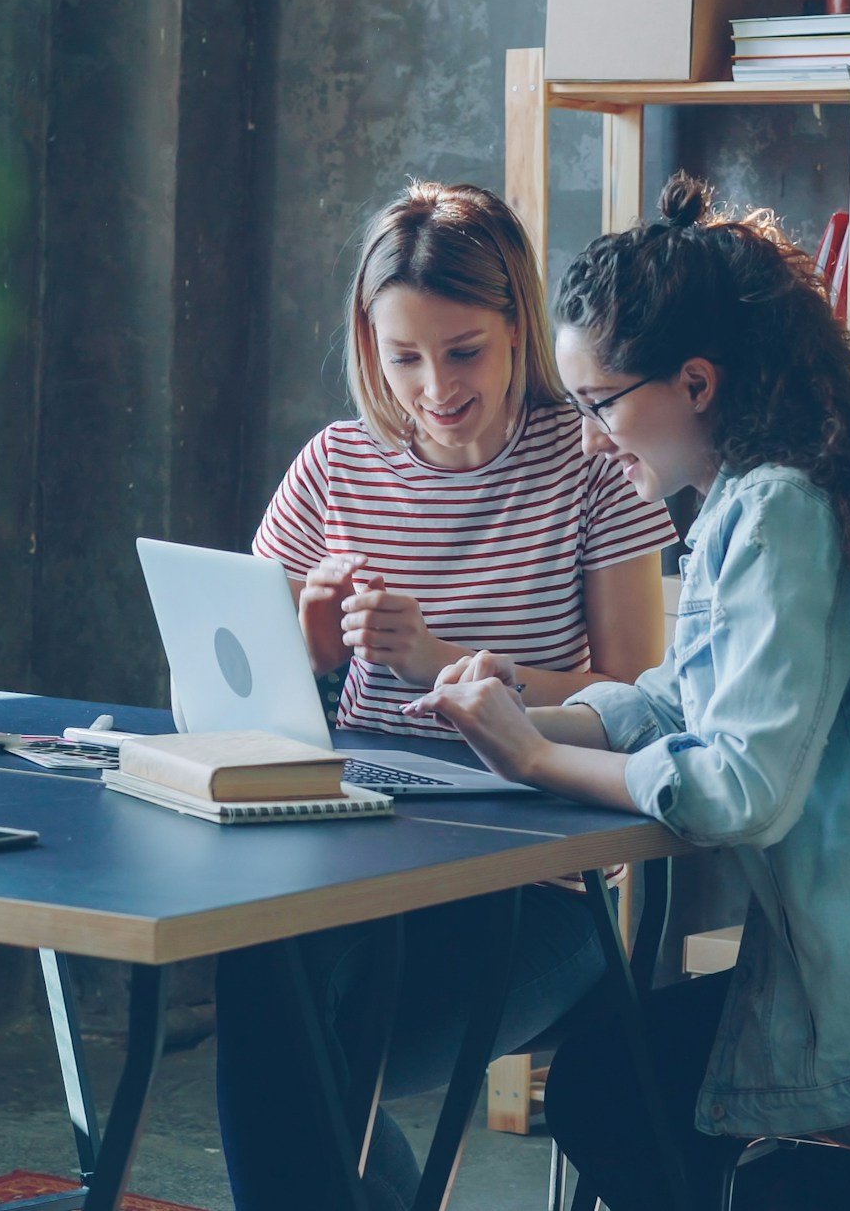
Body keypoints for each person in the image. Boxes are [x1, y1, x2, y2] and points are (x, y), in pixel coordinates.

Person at [408, 174, 850, 1210]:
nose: (594, 438)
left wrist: (531, 759)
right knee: (635, 1076)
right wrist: (528, 714)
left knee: (615, 1084)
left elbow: (742, 789)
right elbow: (689, 701)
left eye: (602, 405)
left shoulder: (778, 509)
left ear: (694, 383)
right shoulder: (778, 489)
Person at [217, 181, 677, 1210]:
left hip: (538, 889)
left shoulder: (595, 469)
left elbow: (645, 696)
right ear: (367, 345)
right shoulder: (333, 468)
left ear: (518, 323)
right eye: (404, 357)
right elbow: (244, 704)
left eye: (463, 350)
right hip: (357, 860)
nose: (436, 387)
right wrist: (310, 648)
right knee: (266, 977)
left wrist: (444, 659)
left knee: (292, 1031)